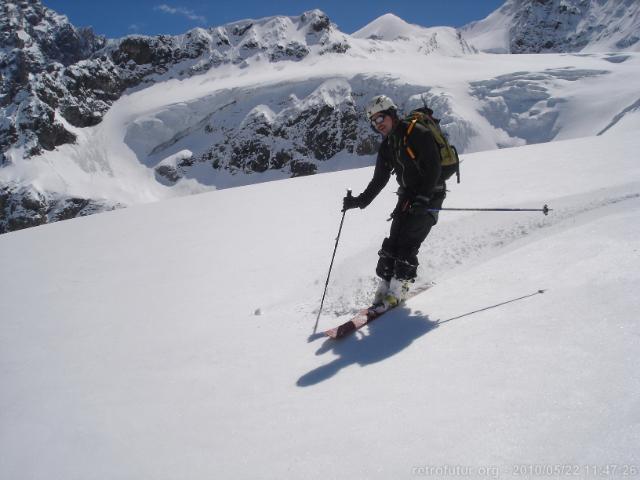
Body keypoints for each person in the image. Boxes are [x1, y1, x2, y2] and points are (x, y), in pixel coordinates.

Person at [342, 95, 446, 309]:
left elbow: (434, 166)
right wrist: (359, 201)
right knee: (393, 241)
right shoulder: (388, 145)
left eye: (380, 118)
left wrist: (424, 198)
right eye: (374, 122)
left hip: (430, 194)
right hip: (407, 196)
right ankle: (385, 285)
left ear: (391, 114)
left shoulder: (417, 133)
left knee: (408, 241)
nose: (378, 125)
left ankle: (399, 288)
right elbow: (380, 179)